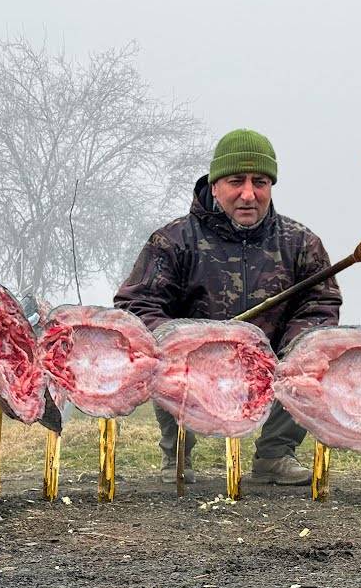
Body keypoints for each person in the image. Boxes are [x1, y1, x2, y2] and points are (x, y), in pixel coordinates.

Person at [114, 128, 341, 486]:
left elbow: (321, 305)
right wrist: (184, 343)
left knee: (313, 357)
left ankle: (275, 454)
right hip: (192, 366)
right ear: (215, 184)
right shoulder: (172, 241)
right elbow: (137, 305)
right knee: (162, 359)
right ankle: (177, 455)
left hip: (272, 363)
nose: (248, 194)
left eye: (261, 182)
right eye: (237, 181)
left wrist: (290, 349)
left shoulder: (301, 244)